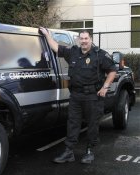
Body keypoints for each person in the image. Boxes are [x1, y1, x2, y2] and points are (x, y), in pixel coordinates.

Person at [39, 27, 116, 164]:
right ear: (78, 40)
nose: (84, 41)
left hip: (93, 96)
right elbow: (56, 47)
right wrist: (46, 35)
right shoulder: (73, 52)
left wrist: (105, 87)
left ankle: (89, 151)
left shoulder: (100, 55)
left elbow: (112, 71)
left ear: (91, 39)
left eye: (86, 38)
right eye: (82, 39)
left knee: (92, 124)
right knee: (73, 123)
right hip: (76, 95)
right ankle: (69, 152)